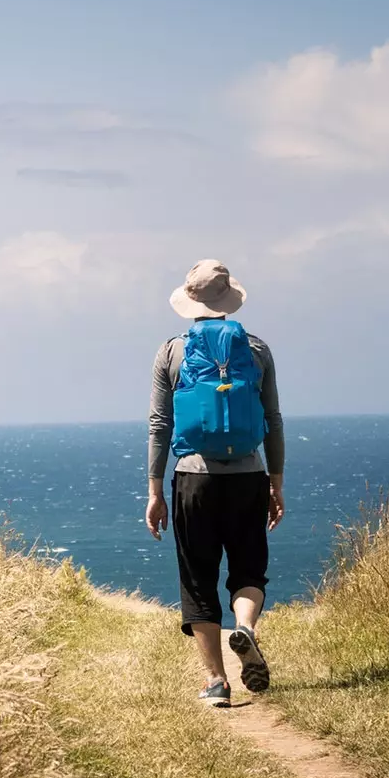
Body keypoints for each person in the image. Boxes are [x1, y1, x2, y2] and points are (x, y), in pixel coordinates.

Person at [145, 260, 285, 707]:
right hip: (249, 476)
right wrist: (275, 484)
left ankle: (217, 683)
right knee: (248, 569)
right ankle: (244, 628)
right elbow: (273, 420)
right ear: (228, 301)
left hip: (192, 479)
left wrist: (154, 491)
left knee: (197, 579)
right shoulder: (257, 349)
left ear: (189, 302)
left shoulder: (172, 351)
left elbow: (159, 424)